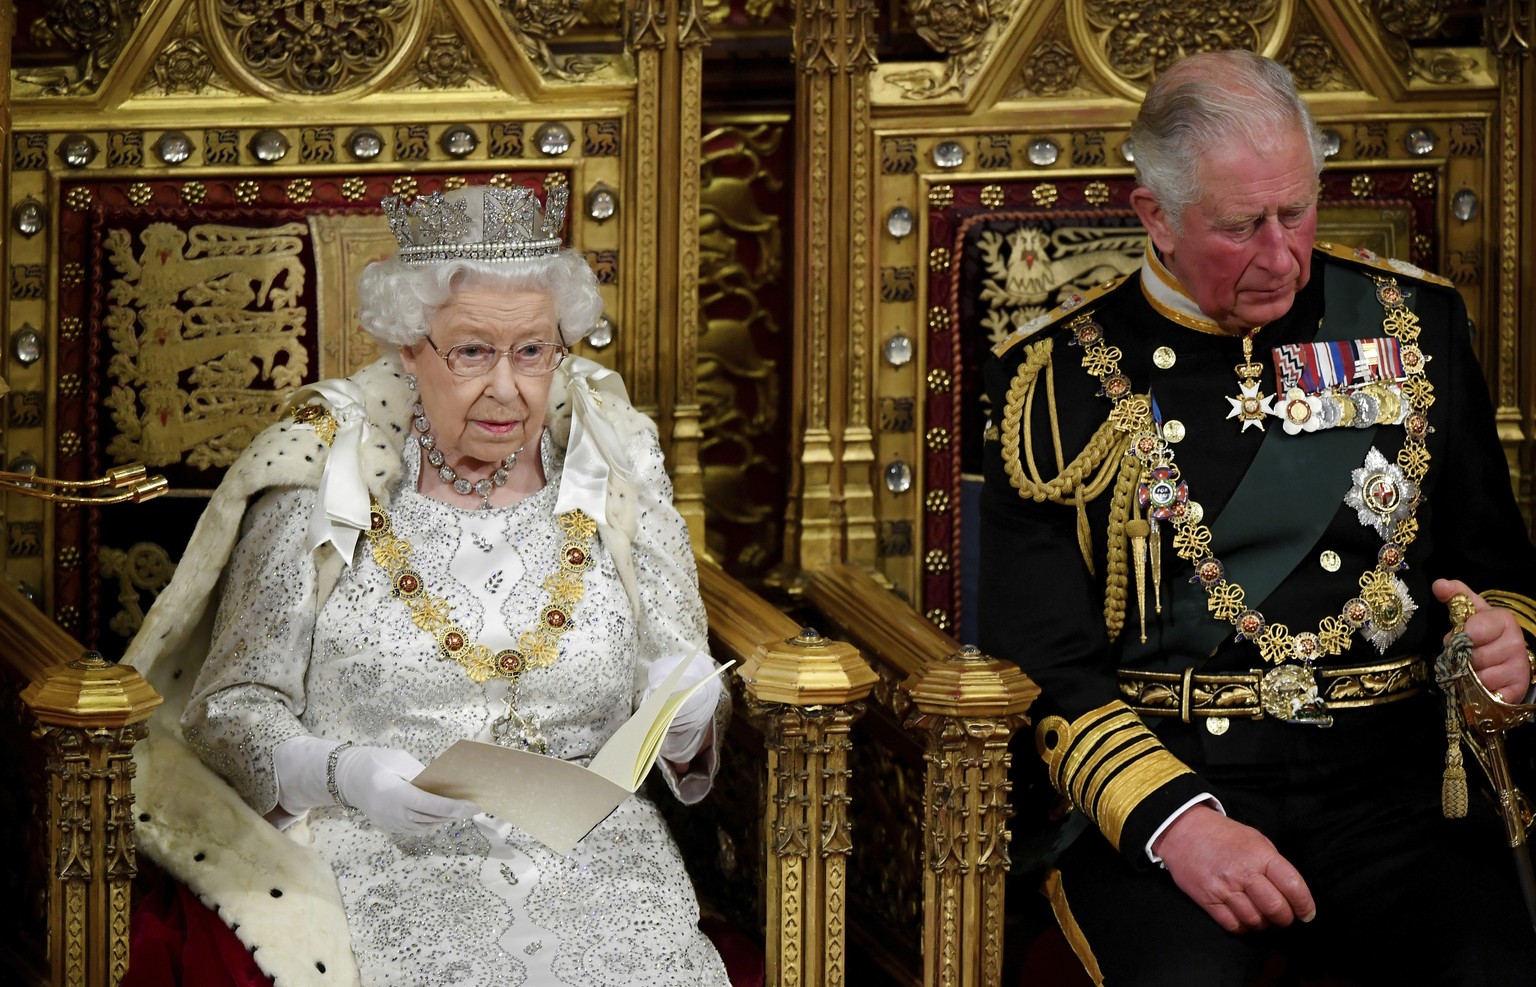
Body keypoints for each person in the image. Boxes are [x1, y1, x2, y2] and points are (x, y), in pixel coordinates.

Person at [979, 50, 1536, 985]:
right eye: (1241, 226)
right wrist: (1178, 826)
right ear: (1153, 213)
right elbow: (1044, 659)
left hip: (1395, 790)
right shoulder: (1058, 380)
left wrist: (1507, 647)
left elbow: (1503, 564)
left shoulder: (1412, 323)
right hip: (1179, 783)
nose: (1282, 255)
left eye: (1298, 211)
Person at [122, 177, 733, 987]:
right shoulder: (322, 472)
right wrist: (342, 773)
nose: (509, 387)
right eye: (473, 351)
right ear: (409, 349)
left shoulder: (613, 460)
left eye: (534, 351)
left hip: (600, 862)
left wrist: (688, 713)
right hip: (379, 855)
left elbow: (680, 677)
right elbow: (229, 708)